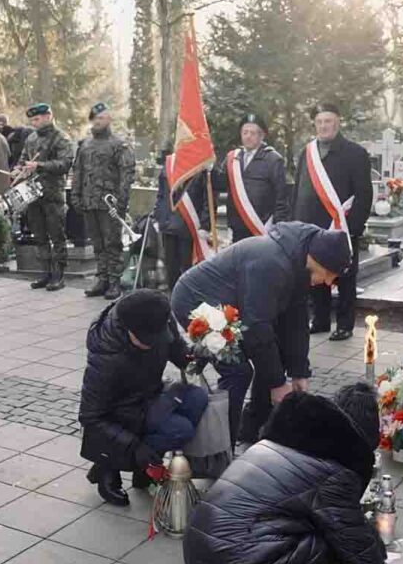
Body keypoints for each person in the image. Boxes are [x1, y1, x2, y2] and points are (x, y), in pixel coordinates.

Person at [182, 385, 403, 564]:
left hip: (202, 560)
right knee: (335, 556)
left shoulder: (276, 443)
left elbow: (355, 530)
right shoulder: (333, 473)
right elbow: (361, 558)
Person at [172, 222, 351, 445]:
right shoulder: (272, 263)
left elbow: (295, 322)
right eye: (330, 274)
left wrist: (298, 371)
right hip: (196, 302)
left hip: (231, 307)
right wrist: (277, 384)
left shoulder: (298, 263)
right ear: (320, 258)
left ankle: (250, 428)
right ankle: (220, 446)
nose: (328, 282)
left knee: (272, 354)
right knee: (238, 372)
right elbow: (257, 328)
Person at [79, 289, 204, 506]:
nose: (154, 344)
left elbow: (179, 352)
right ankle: (108, 466)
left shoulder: (156, 315)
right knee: (180, 429)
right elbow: (90, 417)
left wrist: (199, 353)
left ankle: (143, 470)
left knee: (197, 399)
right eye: (147, 340)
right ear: (128, 331)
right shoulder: (106, 357)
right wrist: (136, 447)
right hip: (122, 414)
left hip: (150, 395)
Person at [292, 102, 373, 341]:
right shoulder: (307, 152)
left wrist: (354, 227)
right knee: (316, 275)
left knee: (345, 275)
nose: (323, 126)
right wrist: (295, 222)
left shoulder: (355, 153)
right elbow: (297, 189)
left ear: (338, 122)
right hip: (310, 226)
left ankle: (345, 324)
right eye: (319, 122)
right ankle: (321, 319)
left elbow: (364, 194)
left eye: (328, 121)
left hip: (342, 226)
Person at [72, 102, 136, 300]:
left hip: (110, 204)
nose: (97, 121)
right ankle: (101, 279)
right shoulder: (85, 145)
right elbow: (78, 171)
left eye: (101, 118)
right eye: (95, 118)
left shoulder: (119, 145)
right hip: (89, 201)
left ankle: (114, 281)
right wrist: (75, 195)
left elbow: (127, 174)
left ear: (109, 120)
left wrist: (121, 202)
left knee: (112, 243)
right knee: (97, 244)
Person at [14, 102, 75, 290]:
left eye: (37, 119)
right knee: (39, 235)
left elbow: (65, 164)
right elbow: (23, 159)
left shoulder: (61, 138)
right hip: (33, 194)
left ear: (48, 116)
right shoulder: (31, 139)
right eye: (32, 120)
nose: (34, 123)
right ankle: (45, 273)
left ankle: (59, 275)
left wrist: (40, 166)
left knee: (57, 235)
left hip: (52, 193)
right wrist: (18, 169)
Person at [211, 113, 289, 243]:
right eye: (245, 132)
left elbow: (281, 197)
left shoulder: (273, 159)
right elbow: (220, 184)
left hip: (262, 226)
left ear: (261, 136)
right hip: (237, 226)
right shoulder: (232, 158)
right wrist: (209, 169)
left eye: (253, 133)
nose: (248, 136)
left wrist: (278, 226)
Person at [154, 146, 208, 290]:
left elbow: (207, 200)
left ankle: (185, 296)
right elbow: (161, 194)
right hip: (168, 224)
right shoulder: (169, 164)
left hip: (188, 225)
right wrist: (158, 216)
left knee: (187, 266)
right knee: (171, 265)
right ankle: (173, 294)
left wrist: (205, 224)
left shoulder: (201, 167)